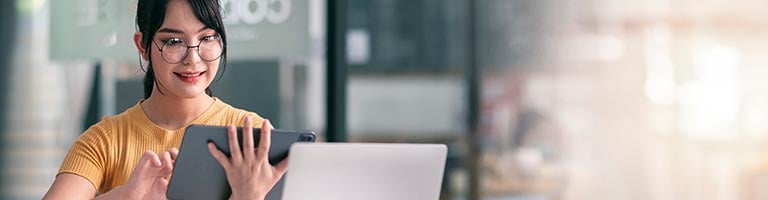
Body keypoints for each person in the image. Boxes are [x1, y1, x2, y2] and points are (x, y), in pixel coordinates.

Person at [42, 0, 286, 199]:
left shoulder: (252, 137)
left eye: (207, 38)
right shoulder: (104, 141)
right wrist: (127, 196)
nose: (193, 58)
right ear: (143, 46)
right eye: (173, 41)